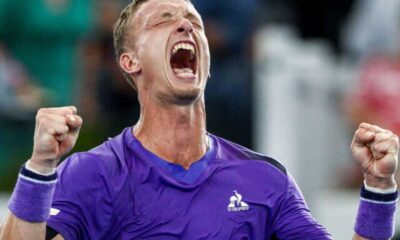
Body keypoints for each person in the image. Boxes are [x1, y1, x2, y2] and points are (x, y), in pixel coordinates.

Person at [0, 0, 398, 239]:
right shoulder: (91, 173)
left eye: (194, 20)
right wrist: (40, 169)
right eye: (162, 19)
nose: (185, 23)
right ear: (129, 61)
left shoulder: (266, 179)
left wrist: (379, 188)